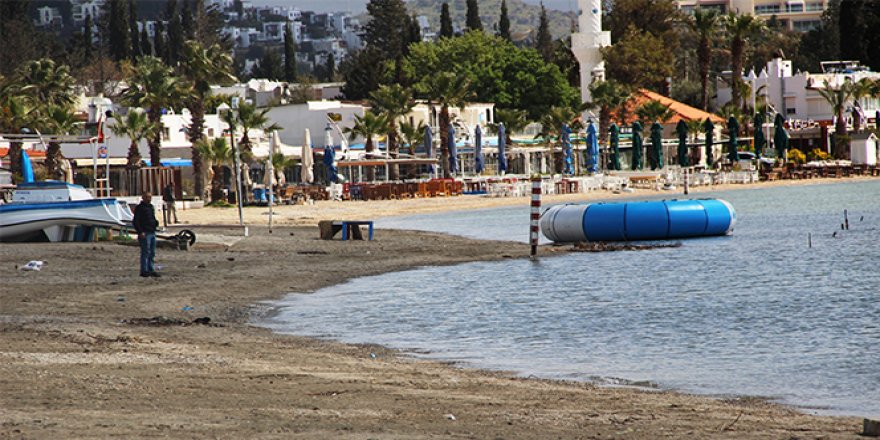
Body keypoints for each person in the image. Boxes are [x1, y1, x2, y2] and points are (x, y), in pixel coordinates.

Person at [133, 192, 160, 278]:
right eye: (147, 197)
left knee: (152, 252)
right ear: (143, 198)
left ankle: (150, 269)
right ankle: (144, 270)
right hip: (145, 233)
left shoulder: (151, 207)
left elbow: (152, 218)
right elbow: (135, 221)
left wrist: (156, 223)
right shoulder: (139, 208)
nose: (149, 199)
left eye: (150, 197)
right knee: (145, 252)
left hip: (152, 232)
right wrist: (140, 232)